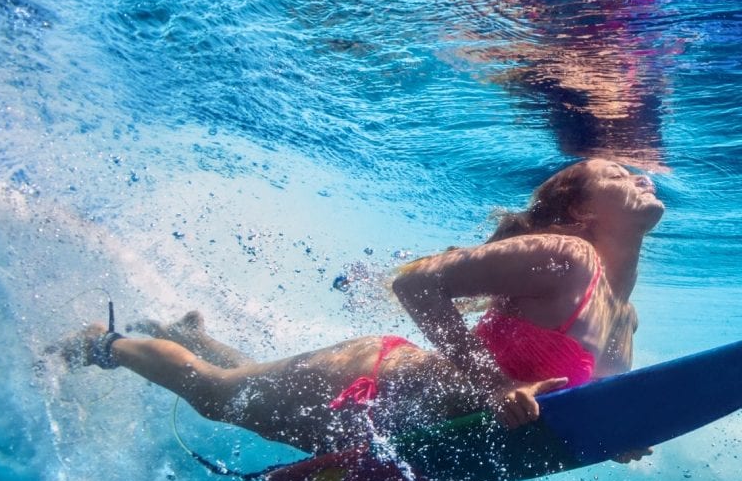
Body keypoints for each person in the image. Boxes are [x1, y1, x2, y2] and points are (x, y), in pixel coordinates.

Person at [52, 158, 663, 462]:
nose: (643, 177)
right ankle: (102, 345)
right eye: (619, 173)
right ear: (581, 211)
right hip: (374, 386)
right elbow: (417, 286)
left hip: (404, 429)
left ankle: (187, 333)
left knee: (244, 393)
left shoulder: (623, 318)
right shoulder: (567, 255)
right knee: (216, 397)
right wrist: (496, 383)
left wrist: (620, 441)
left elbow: (571, 407)